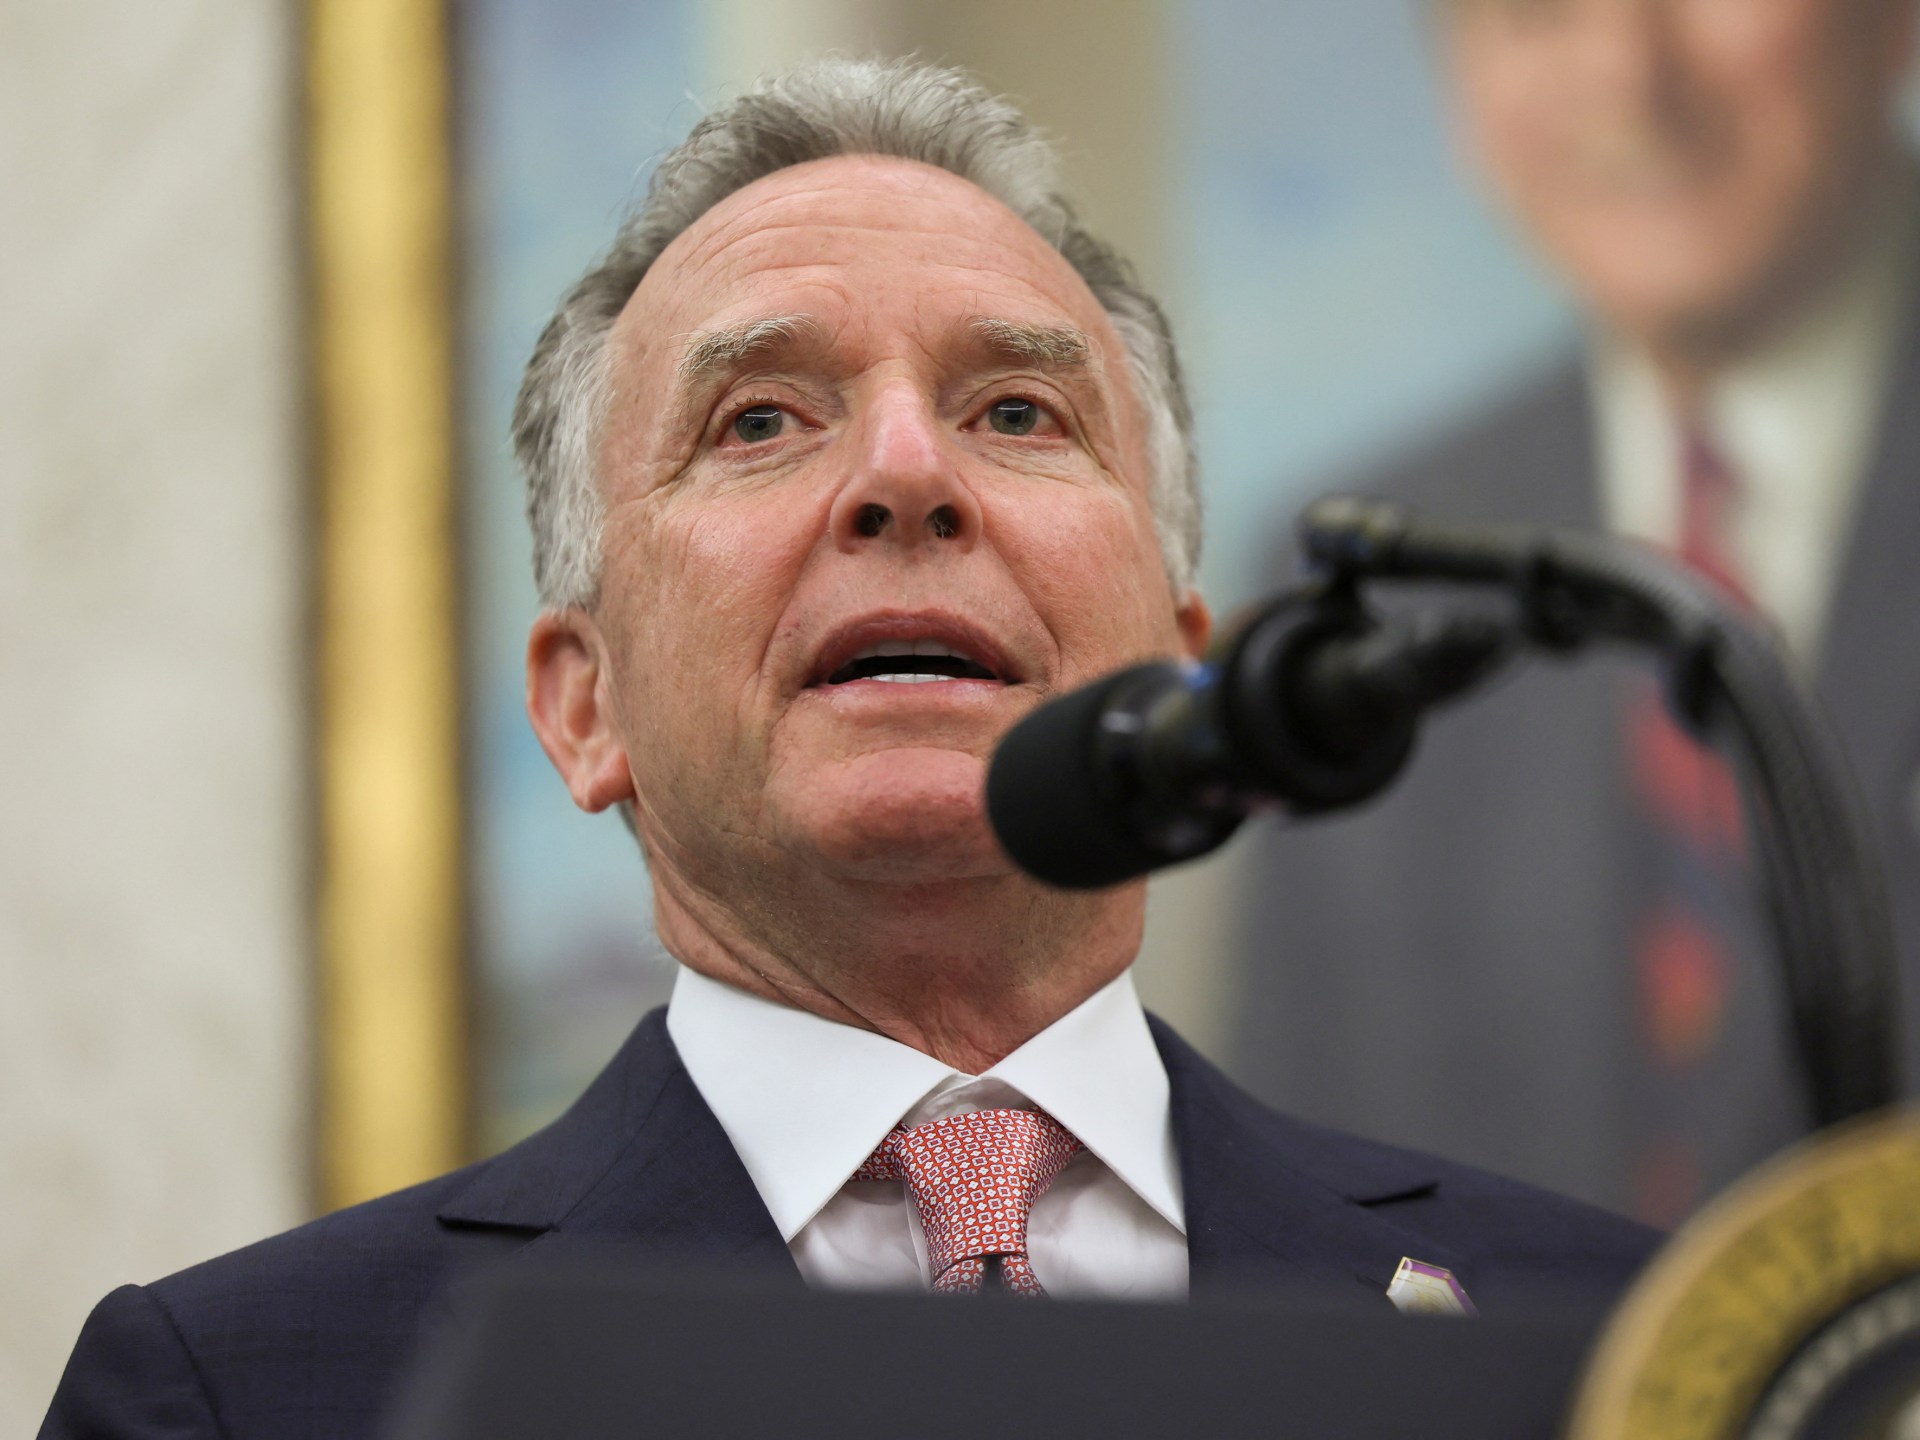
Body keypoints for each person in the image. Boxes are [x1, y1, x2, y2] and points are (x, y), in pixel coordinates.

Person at [41, 60, 1658, 1440]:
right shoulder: (245, 1394)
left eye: (1017, 413)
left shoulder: (1625, 1348)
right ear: (584, 706)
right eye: (760, 420)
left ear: (1185, 668)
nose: (905, 474)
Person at [1229, 0, 1920, 1225]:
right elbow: (1305, 1243)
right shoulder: (1358, 597)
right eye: (1536, 10)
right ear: (1456, 83)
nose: (1628, 72)